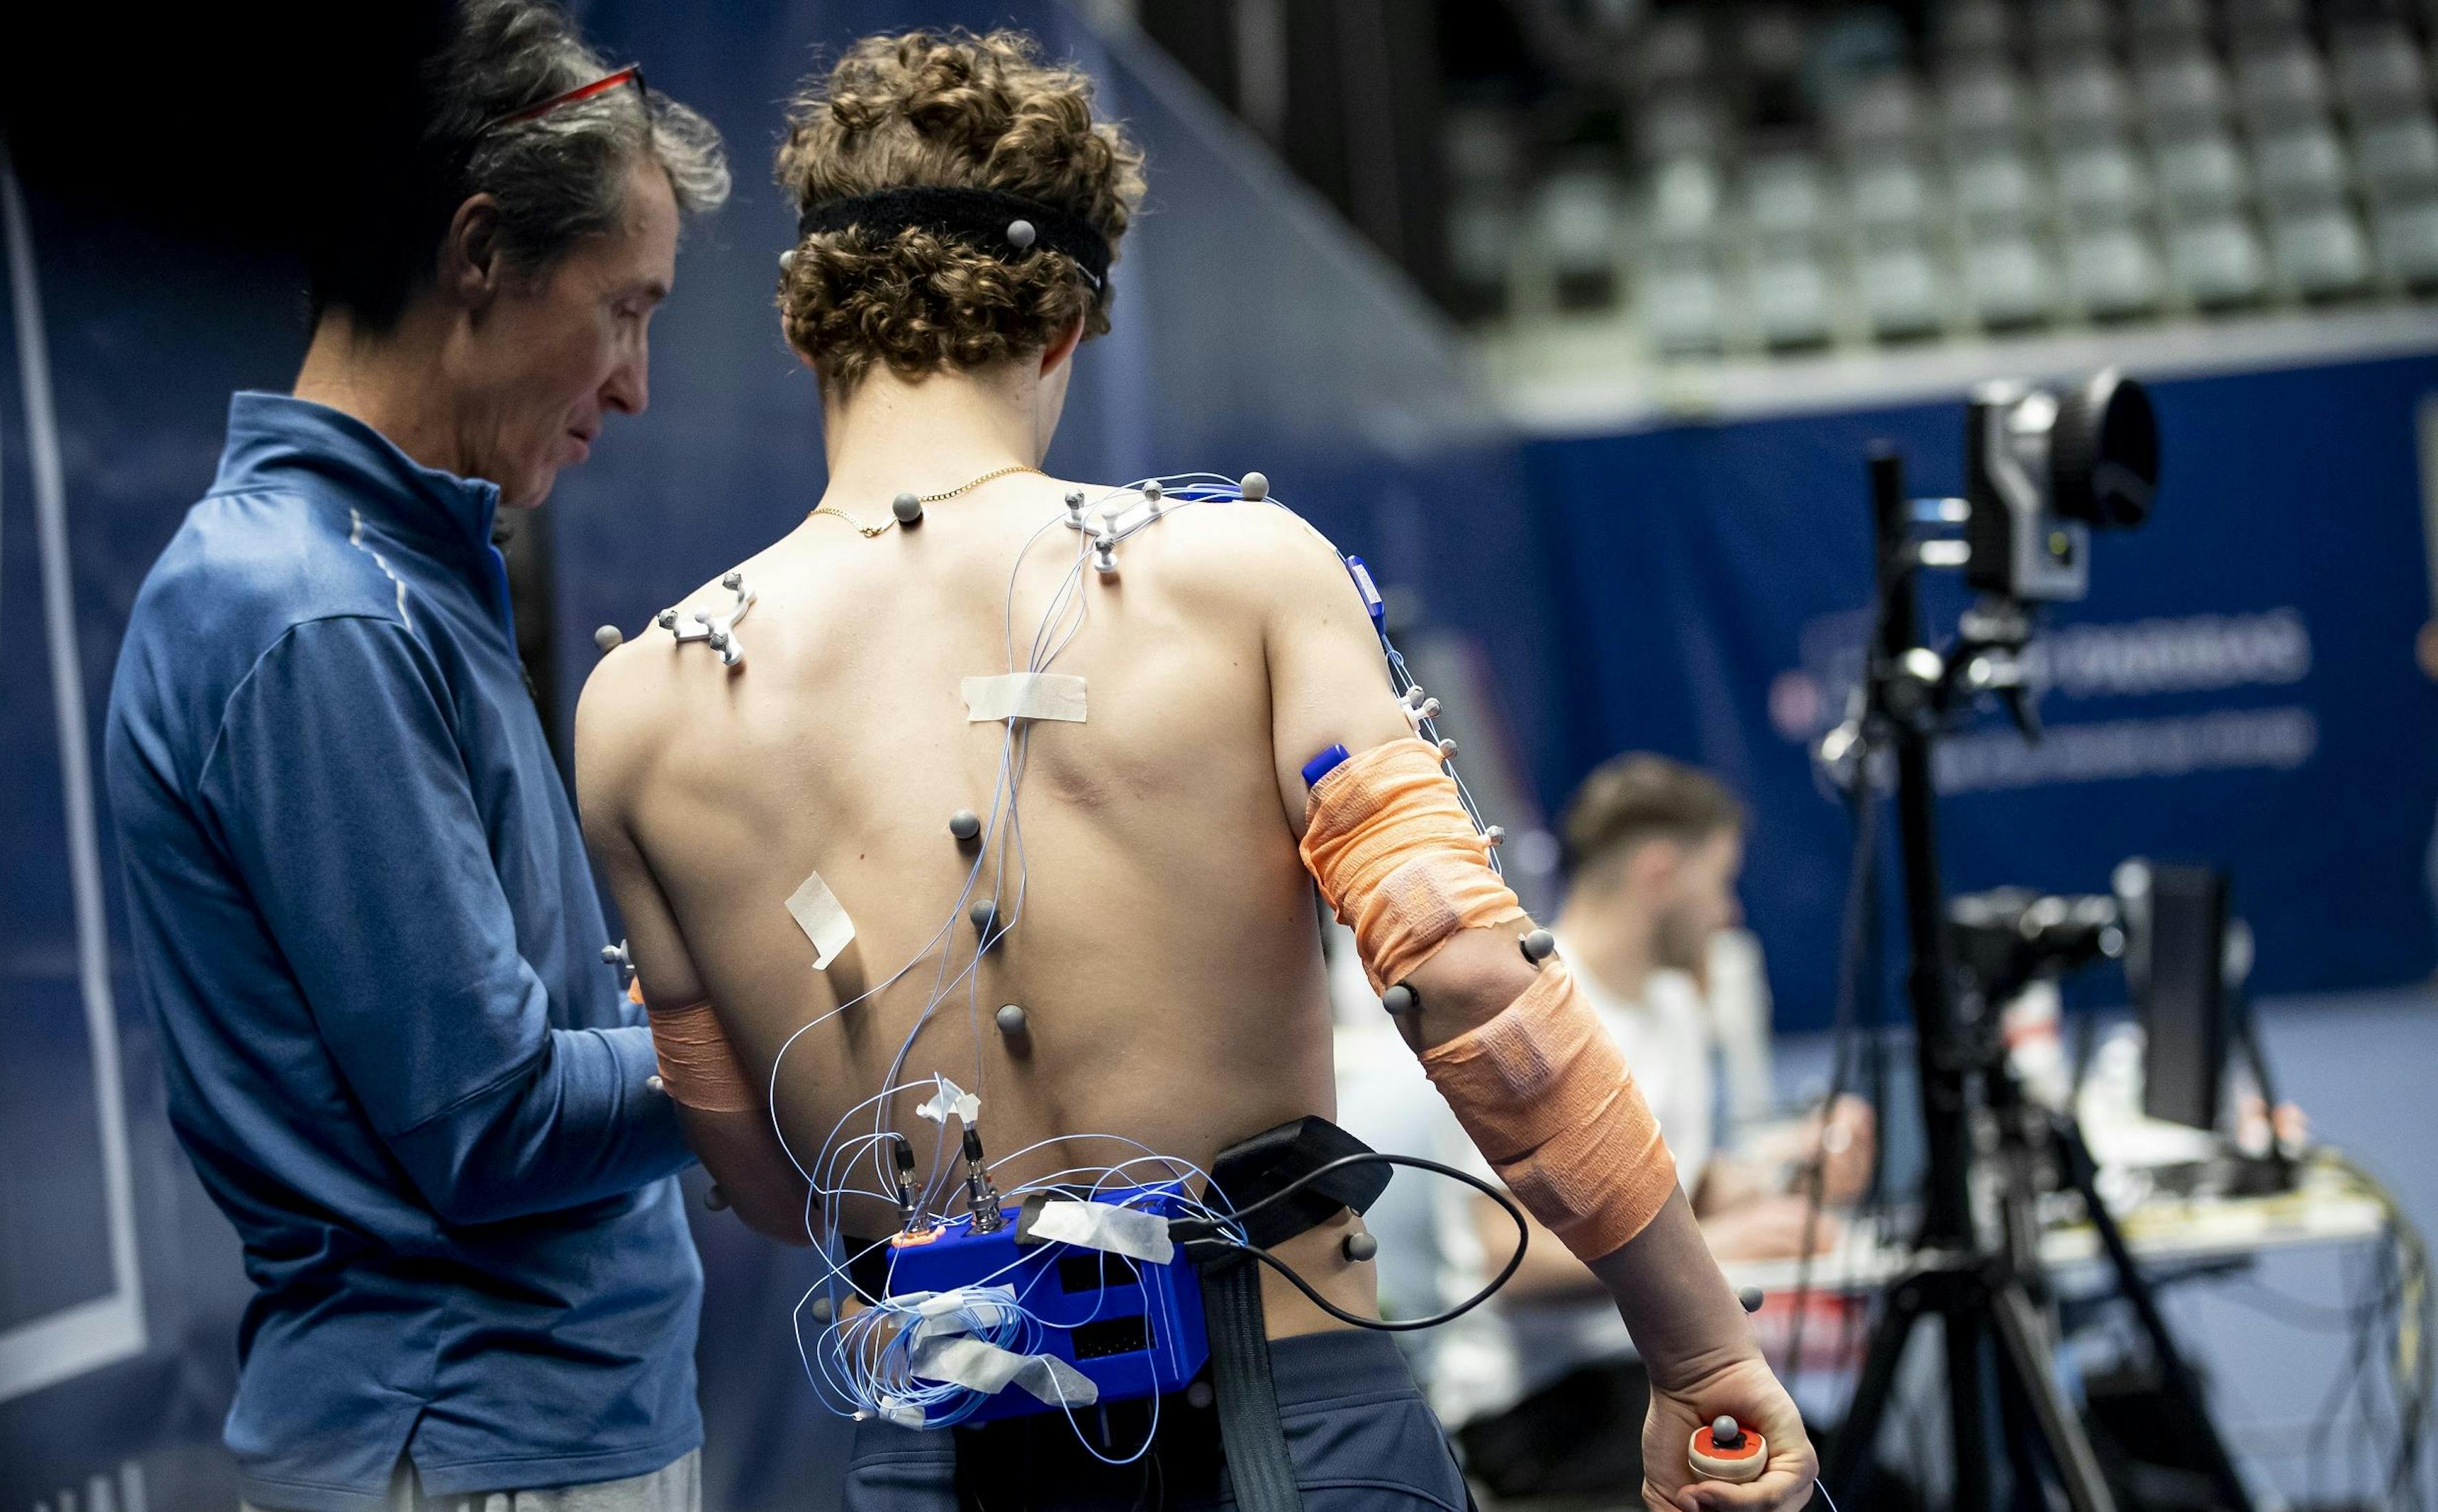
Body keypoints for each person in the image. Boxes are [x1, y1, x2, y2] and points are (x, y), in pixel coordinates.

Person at [576, 28, 1814, 1512]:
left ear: (802, 327)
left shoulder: (637, 707)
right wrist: (1702, 1351)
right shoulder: (1243, 579)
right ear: (1067, 327)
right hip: (1290, 1435)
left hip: (931, 1456)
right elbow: (1474, 980)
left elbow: (777, 1190)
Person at [102, 5, 732, 1507]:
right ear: (477, 255)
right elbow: (492, 1122)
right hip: (466, 1450)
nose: (636, 383)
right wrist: (796, 1049)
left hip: (516, 1443)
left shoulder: (394, 578)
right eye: (624, 308)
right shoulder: (318, 611)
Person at [1432, 754, 1874, 1503]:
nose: (1727, 912)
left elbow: (1674, 1178)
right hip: (1542, 1407)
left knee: (1865, 1472)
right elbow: (1513, 1261)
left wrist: (1789, 1176)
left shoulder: (1672, 1009)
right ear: (1661, 873)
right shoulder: (1521, 1017)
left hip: (1643, 1370)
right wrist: (1712, 1252)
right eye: (1720, 881)